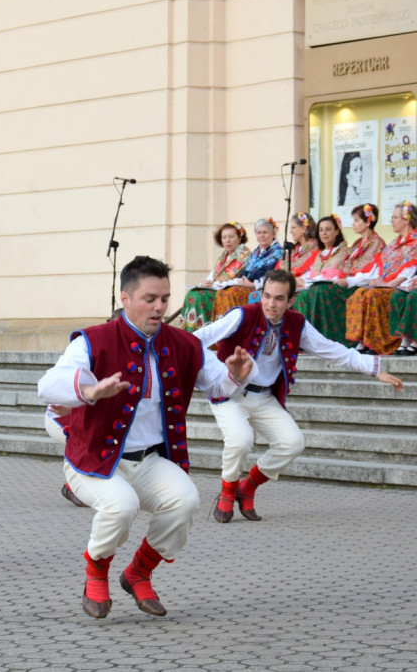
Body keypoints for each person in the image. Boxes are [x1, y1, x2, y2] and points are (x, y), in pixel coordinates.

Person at [37, 256, 256, 619]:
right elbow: (47, 386)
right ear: (125, 298)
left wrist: (235, 374)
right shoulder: (93, 340)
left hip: (151, 459)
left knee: (185, 501)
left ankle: (138, 571)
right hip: (95, 457)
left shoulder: (184, 343)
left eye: (165, 299)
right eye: (150, 298)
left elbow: (219, 384)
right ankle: (97, 571)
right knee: (121, 507)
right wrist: (88, 391)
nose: (159, 307)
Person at [193, 269, 403, 524]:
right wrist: (209, 372)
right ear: (260, 295)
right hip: (230, 392)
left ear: (290, 301)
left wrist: (373, 369)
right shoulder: (241, 315)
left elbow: (331, 349)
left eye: (279, 298)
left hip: (264, 396)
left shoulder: (297, 323)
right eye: (267, 296)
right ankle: (227, 491)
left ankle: (247, 487)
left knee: (293, 443)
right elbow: (199, 338)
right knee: (240, 439)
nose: (272, 304)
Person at [293, 204, 385, 345]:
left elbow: (373, 273)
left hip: (359, 285)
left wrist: (348, 281)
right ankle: (307, 341)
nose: (353, 224)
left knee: (320, 291)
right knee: (307, 292)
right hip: (347, 283)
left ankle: (328, 340)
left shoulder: (376, 244)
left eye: (356, 220)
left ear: (368, 222)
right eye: (321, 230)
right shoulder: (357, 244)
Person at [342, 201, 417, 355]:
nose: (392, 221)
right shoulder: (393, 245)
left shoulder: (414, 242)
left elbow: (409, 270)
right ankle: (364, 340)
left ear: (406, 219)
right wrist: (377, 280)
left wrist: (388, 284)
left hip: (401, 285)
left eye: (395, 217)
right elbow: (381, 268)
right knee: (360, 293)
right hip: (389, 283)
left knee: (373, 295)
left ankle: (380, 342)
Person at [180, 221, 251, 331]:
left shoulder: (245, 255)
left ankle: (206, 332)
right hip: (217, 288)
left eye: (231, 236)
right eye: (224, 237)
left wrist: (215, 284)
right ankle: (192, 334)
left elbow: (241, 279)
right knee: (193, 293)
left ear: (240, 237)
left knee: (200, 296)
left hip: (229, 290)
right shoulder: (222, 257)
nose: (227, 240)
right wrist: (206, 283)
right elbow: (212, 276)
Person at [212, 218, 282, 317]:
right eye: (259, 233)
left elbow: (273, 276)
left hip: (263, 288)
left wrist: (253, 284)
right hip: (247, 285)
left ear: (273, 234)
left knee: (229, 293)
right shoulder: (255, 253)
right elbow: (245, 273)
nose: (261, 236)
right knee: (222, 292)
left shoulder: (278, 252)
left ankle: (235, 327)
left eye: (265, 232)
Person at [275, 213, 319, 278]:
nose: (290, 231)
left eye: (293, 227)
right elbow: (277, 270)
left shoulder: (316, 249)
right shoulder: (293, 250)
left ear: (304, 228)